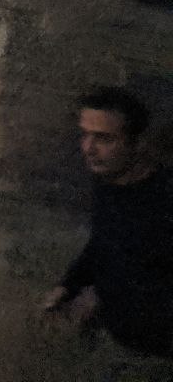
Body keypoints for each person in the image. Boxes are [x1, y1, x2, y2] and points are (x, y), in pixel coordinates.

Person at [43, 86, 173, 362]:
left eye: (104, 138)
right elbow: (103, 243)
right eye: (85, 135)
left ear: (138, 143)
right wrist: (68, 287)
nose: (89, 148)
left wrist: (98, 299)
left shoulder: (164, 200)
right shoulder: (110, 182)